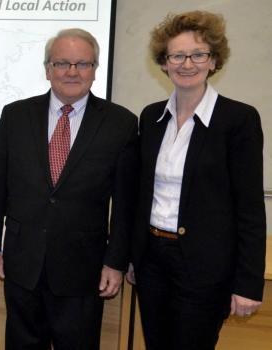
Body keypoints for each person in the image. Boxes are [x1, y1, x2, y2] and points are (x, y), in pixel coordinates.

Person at [0, 28, 138, 349]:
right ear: (47, 69)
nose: (72, 72)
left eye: (83, 64)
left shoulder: (121, 123)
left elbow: (125, 204)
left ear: (94, 69)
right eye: (62, 63)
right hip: (22, 264)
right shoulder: (16, 115)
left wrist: (115, 262)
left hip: (83, 268)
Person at [128, 11, 266, 350]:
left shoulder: (239, 120)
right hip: (152, 263)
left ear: (214, 60)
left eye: (198, 54)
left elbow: (249, 208)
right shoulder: (151, 117)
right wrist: (133, 256)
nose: (187, 63)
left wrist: (248, 283)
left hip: (206, 268)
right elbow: (140, 195)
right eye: (177, 55)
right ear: (164, 62)